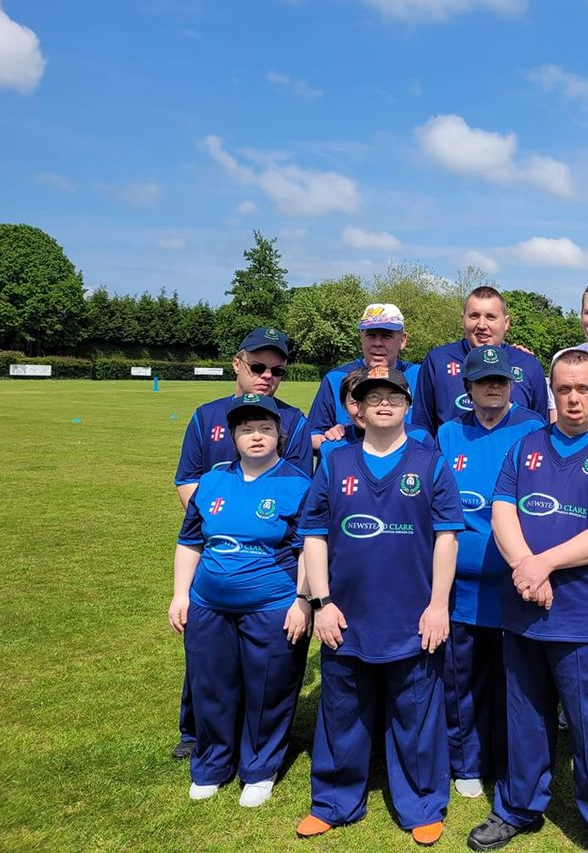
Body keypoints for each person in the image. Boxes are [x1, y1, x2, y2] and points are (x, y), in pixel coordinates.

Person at [467, 349, 588, 853]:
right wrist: (526, 565)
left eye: (582, 389)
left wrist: (543, 564)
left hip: (586, 617)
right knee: (524, 720)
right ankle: (518, 808)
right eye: (563, 389)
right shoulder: (526, 446)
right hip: (523, 610)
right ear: (551, 392)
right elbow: (502, 511)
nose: (572, 398)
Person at [295, 366, 462, 846]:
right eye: (373, 398)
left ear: (408, 406)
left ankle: (423, 805)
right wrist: (320, 602)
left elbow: (447, 539)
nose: (383, 403)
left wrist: (437, 606)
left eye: (393, 396)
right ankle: (333, 801)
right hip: (346, 616)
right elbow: (314, 535)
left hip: (412, 617)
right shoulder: (334, 461)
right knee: (341, 712)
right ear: (359, 410)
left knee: (416, 715)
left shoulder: (431, 463)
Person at [170, 326, 311, 760]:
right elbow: (187, 480)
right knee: (209, 654)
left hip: (270, 560)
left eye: (277, 370)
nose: (267, 375)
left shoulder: (294, 420)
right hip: (215, 543)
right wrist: (220, 516)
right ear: (237, 364)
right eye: (258, 367)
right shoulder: (205, 415)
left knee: (264, 659)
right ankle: (199, 732)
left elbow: (300, 493)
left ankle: (260, 741)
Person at [435, 346, 546, 799]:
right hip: (460, 584)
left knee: (512, 685)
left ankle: (507, 763)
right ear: (468, 387)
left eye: (500, 379)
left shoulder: (533, 428)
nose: (493, 387)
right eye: (484, 380)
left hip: (512, 583)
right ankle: (465, 762)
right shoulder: (446, 433)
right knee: (462, 680)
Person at [411, 286, 549, 435]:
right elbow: (422, 427)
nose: (482, 325)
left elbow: (541, 431)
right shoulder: (437, 361)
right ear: (462, 319)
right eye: (474, 316)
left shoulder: (529, 365)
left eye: (491, 317)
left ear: (506, 322)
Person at [307, 303, 420, 450]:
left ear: (403, 340)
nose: (377, 343)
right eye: (370, 335)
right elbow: (311, 435)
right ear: (361, 337)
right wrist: (333, 438)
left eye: (386, 336)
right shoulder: (337, 378)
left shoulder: (420, 375)